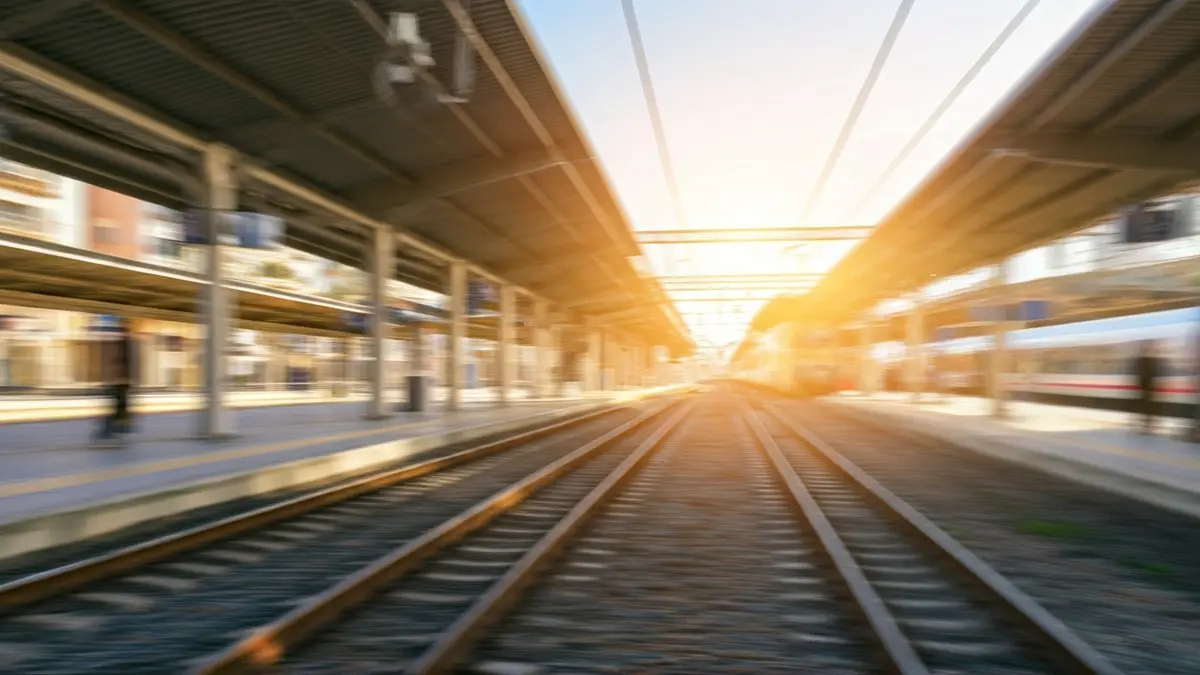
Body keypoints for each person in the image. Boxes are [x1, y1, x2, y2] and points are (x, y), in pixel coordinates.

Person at [93, 317, 138, 446]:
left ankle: (111, 431)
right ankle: (114, 430)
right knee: (119, 408)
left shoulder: (123, 342)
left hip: (121, 381)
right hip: (122, 381)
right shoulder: (125, 342)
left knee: (118, 407)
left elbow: (121, 362)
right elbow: (124, 362)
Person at [1134, 340, 1160, 435]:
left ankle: (1146, 424)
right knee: (1145, 406)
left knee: (1146, 406)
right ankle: (1145, 424)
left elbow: (1151, 373)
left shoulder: (1146, 360)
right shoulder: (1145, 361)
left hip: (1148, 387)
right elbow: (1146, 374)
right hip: (1146, 387)